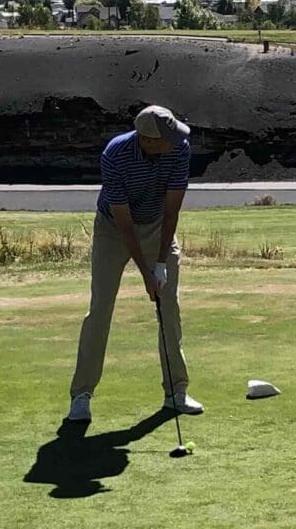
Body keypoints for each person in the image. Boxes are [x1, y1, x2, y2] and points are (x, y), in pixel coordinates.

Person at [67, 105, 202, 422]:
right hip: (114, 229)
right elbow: (124, 224)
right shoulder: (115, 155)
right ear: (149, 140)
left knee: (169, 307)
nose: (176, 140)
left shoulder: (179, 149)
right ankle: (81, 395)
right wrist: (145, 274)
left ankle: (175, 392)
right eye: (168, 136)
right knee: (101, 309)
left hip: (158, 227)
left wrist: (160, 263)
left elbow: (172, 212)